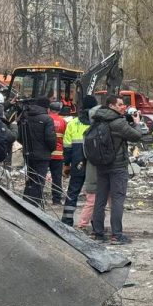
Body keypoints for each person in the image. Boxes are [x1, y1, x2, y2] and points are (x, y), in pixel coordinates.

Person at [88, 95, 143, 244]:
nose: (123, 107)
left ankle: (97, 233)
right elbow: (137, 136)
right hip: (117, 166)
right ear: (111, 106)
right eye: (119, 105)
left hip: (101, 165)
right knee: (118, 199)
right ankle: (116, 235)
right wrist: (137, 123)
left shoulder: (96, 119)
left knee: (100, 199)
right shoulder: (118, 122)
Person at [61, 94, 97, 226]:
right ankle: (95, 222)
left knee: (73, 191)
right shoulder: (98, 123)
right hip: (95, 164)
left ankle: (67, 219)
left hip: (77, 162)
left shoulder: (73, 123)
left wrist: (66, 164)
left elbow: (67, 147)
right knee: (95, 193)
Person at [18, 97, 56, 208]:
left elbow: (19, 136)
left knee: (30, 179)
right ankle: (34, 206)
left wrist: (26, 145)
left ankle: (25, 203)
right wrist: (50, 149)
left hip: (28, 154)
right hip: (42, 156)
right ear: (47, 108)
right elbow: (50, 139)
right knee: (39, 181)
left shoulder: (25, 117)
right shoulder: (47, 119)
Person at [47, 101, 67, 205]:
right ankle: (56, 200)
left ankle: (38, 197)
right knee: (57, 178)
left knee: (40, 176)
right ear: (59, 110)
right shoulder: (63, 121)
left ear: (49, 110)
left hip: (46, 153)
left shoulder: (46, 119)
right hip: (58, 154)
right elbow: (65, 137)